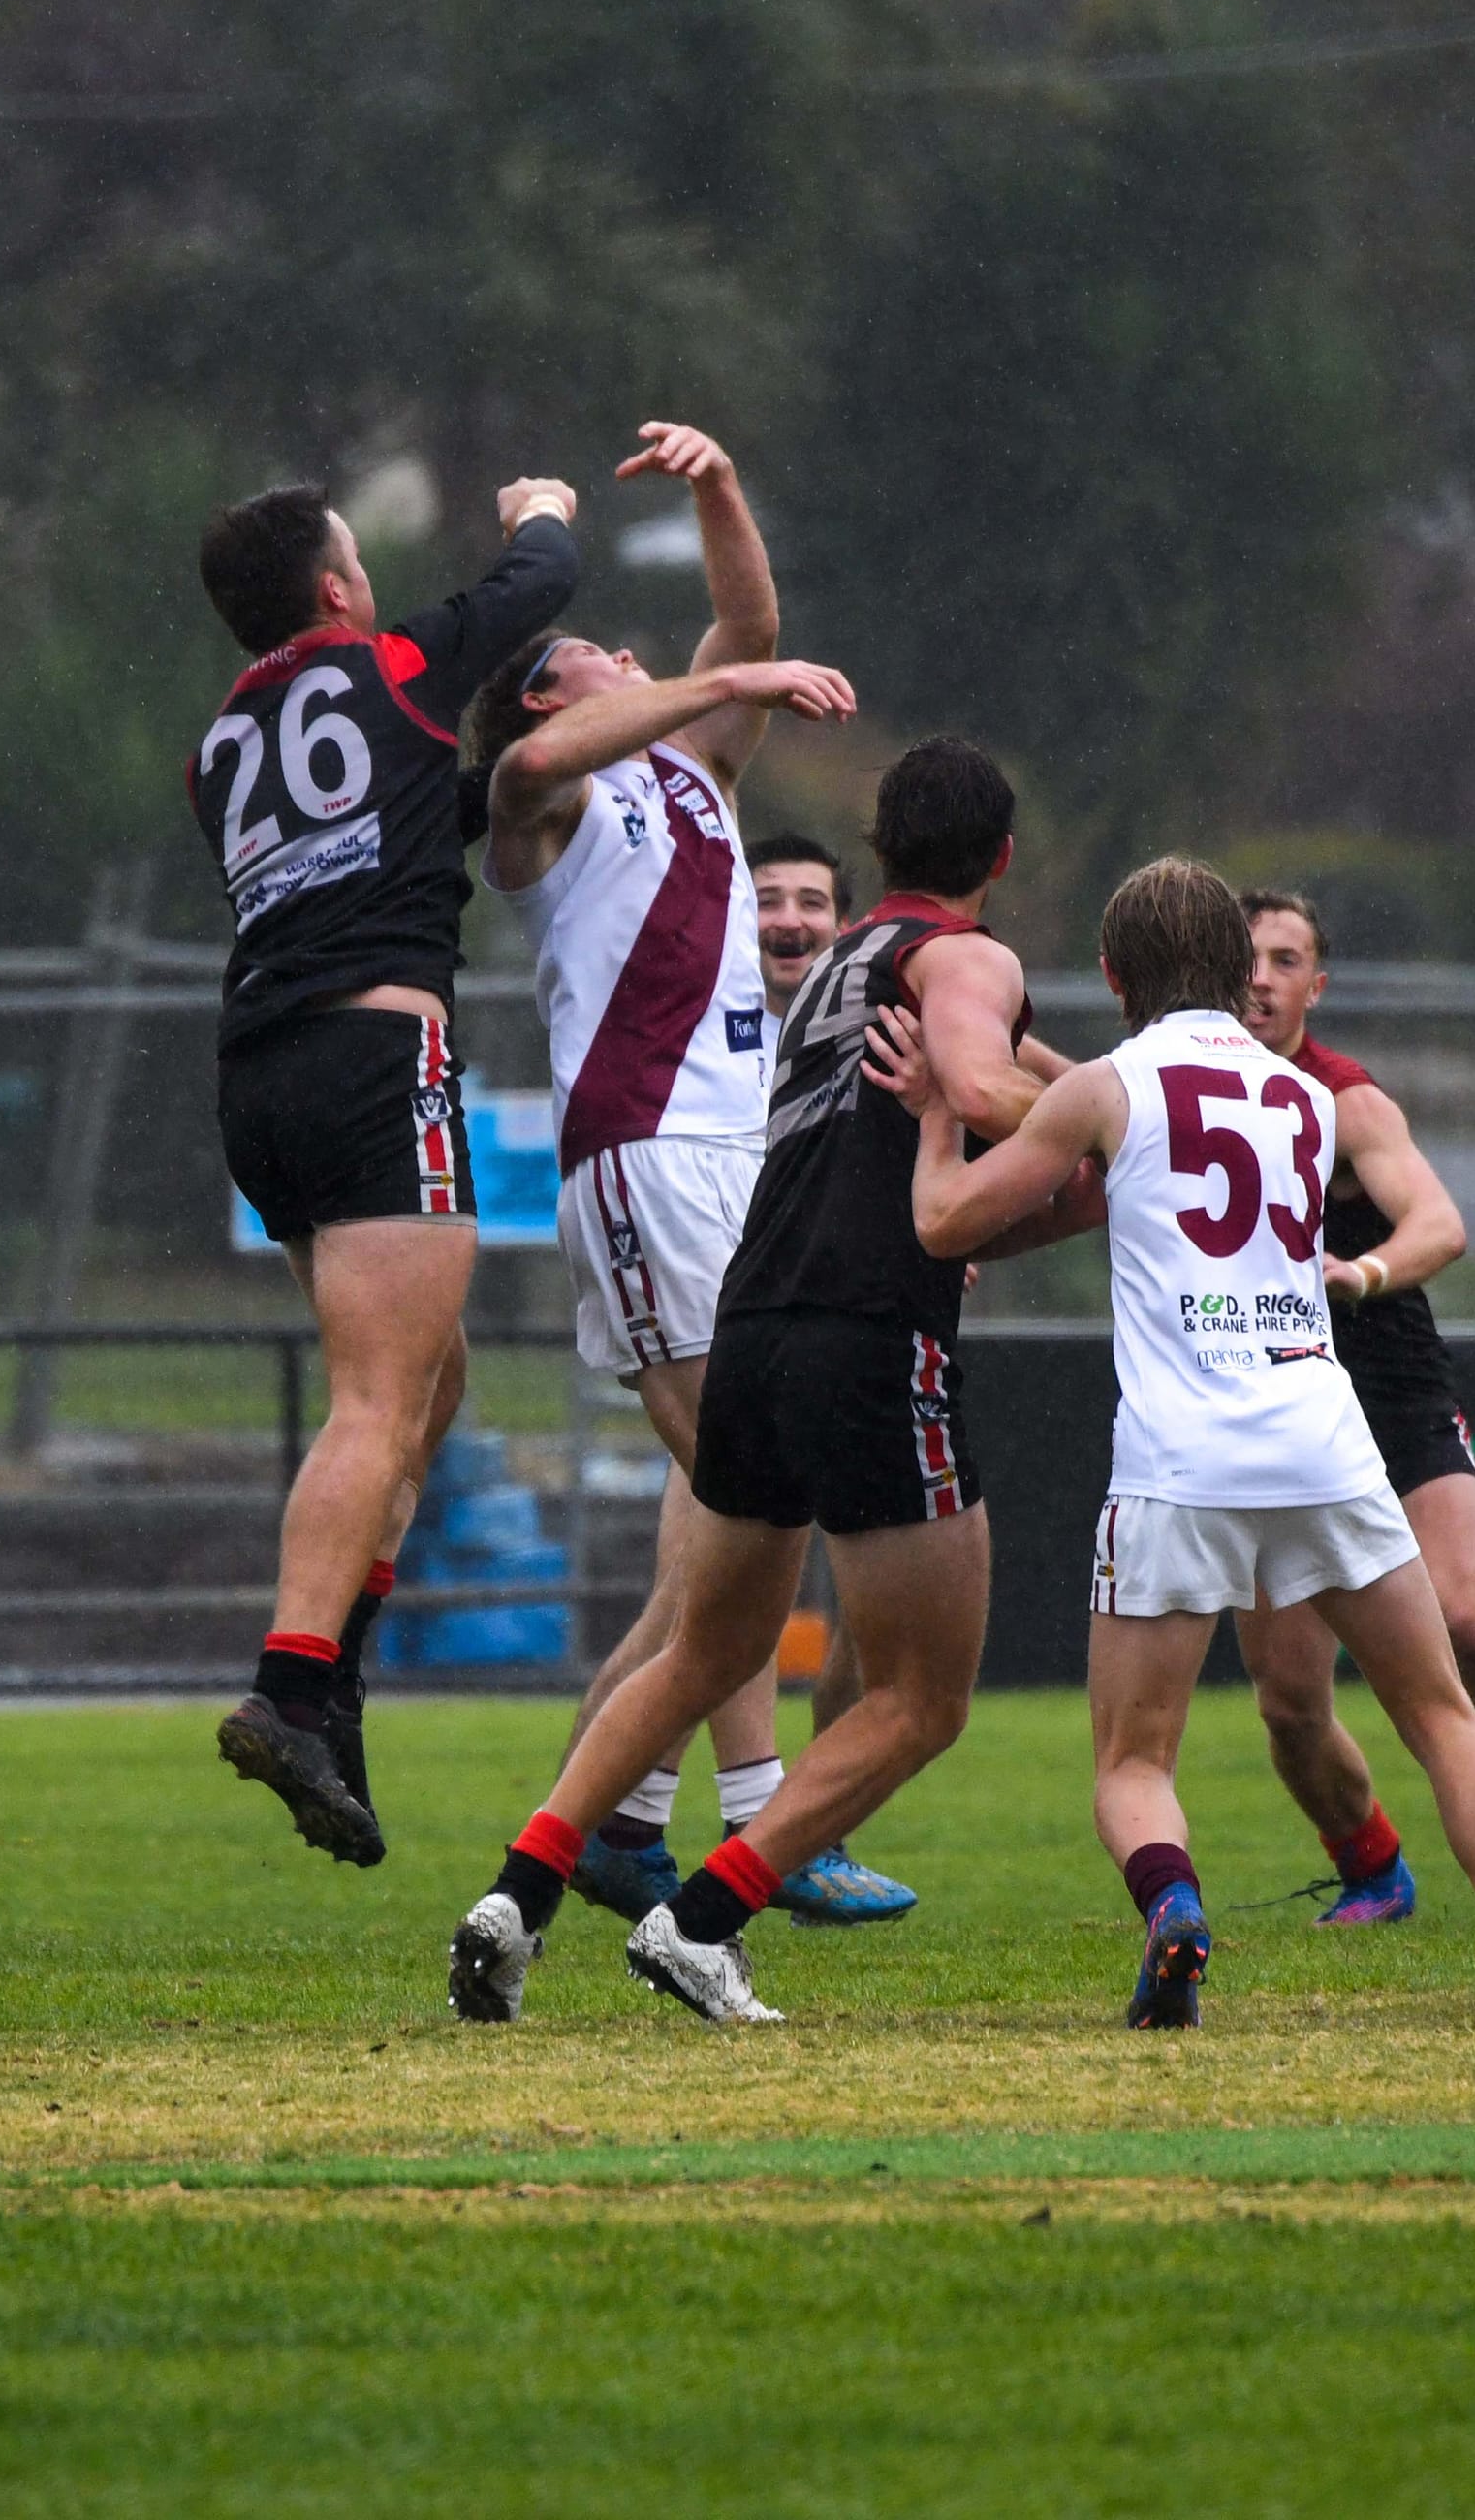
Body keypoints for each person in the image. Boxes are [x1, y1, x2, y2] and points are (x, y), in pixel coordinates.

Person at [866, 855, 1475, 2033]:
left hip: (1180, 1462)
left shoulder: (1104, 1088)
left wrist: (930, 1118)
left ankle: (1174, 1908)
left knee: (1132, 1764)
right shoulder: (1308, 1101)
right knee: (1440, 1718)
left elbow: (944, 1220)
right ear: (1230, 967)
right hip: (1322, 1442)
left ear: (1112, 975)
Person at [448, 734, 1069, 2026]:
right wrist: (1112, 1120)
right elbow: (974, 1084)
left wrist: (1107, 1102)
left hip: (756, 1328)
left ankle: (515, 1896)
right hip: (868, 1337)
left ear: (880, 853)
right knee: (920, 1700)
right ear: (1000, 860)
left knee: (703, 1650)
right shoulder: (969, 957)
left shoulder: (841, 963)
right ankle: (700, 1920)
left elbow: (981, 1124)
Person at [466, 422, 901, 1939]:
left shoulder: (691, 768)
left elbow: (751, 623)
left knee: (722, 1548)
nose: (633, 655)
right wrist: (729, 681)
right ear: (547, 687)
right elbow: (528, 760)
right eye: (598, 651)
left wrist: (719, 484)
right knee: (759, 1506)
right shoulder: (555, 797)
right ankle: (752, 1829)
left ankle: (602, 1837)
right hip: (646, 1158)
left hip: (738, 1163)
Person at [191, 471, 579, 1864]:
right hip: (371, 1051)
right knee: (373, 1398)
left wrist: (512, 782)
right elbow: (536, 586)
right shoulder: (387, 665)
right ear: (336, 590)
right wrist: (543, 509)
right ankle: (294, 1683)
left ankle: (331, 1678)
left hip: (259, 1075)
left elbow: (382, 829)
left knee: (430, 1384)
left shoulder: (219, 743)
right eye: (357, 560)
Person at [1242, 889, 1475, 1925]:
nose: (1258, 980)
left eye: (1283, 961)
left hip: (1393, 1398)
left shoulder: (1345, 1101)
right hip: (1272, 1416)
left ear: (1317, 986)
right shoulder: (1189, 1091)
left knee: (1464, 1626)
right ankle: (1371, 1868)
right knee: (1288, 1705)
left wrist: (1355, 1274)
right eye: (1242, 961)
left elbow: (1440, 1224)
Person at [746, 832, 917, 1925]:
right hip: (750, 1329)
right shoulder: (706, 1035)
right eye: (765, 899)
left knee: (869, 1613)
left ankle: (806, 1832)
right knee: (720, 1604)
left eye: (811, 901)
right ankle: (747, 1833)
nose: (789, 920)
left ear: (844, 924)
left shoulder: (875, 1026)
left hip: (854, 1330)